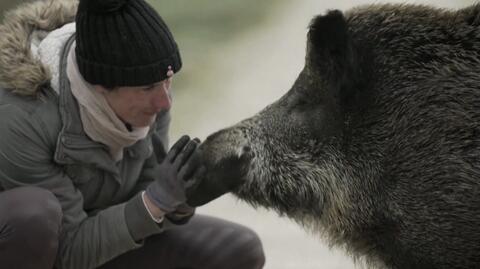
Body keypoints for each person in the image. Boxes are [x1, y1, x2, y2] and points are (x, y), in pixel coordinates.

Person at [0, 0, 266, 268]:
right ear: (100, 85)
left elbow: (142, 202)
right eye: (148, 87)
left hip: (96, 236)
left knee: (237, 250)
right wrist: (153, 202)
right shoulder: (22, 117)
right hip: (41, 248)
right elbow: (67, 251)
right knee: (33, 215)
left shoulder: (150, 97)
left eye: (167, 81)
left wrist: (184, 196)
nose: (164, 102)